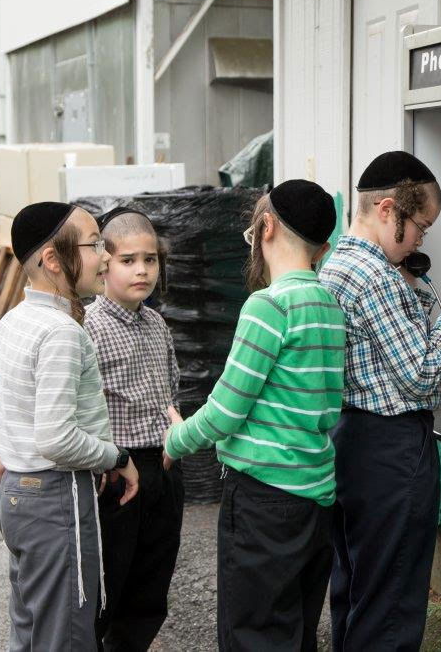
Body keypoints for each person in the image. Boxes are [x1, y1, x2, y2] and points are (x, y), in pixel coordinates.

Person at [0, 202, 139, 651]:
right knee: (65, 638)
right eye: (94, 245)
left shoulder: (18, 319)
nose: (105, 256)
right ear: (52, 260)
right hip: (55, 503)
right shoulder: (60, 332)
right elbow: (56, 439)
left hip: (18, 499)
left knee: (31, 634)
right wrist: (117, 457)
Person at [163, 180, 345, 651]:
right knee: (297, 630)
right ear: (323, 248)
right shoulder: (328, 305)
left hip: (264, 502)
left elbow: (225, 411)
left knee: (255, 635)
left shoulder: (268, 306)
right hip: (315, 496)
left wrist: (177, 438)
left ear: (265, 227)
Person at [318, 151, 441, 651]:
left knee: (357, 589)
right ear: (388, 210)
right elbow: (422, 372)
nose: (421, 240)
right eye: (420, 228)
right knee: (391, 603)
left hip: (348, 441)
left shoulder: (338, 265)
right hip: (391, 449)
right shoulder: (374, 277)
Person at [84, 207, 184, 651]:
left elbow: (171, 388)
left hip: (162, 467)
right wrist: (106, 458)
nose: (142, 270)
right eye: (128, 260)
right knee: (111, 583)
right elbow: (81, 406)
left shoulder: (157, 323)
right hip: (118, 474)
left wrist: (175, 430)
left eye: (150, 259)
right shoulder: (89, 327)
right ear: (104, 263)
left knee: (152, 583)